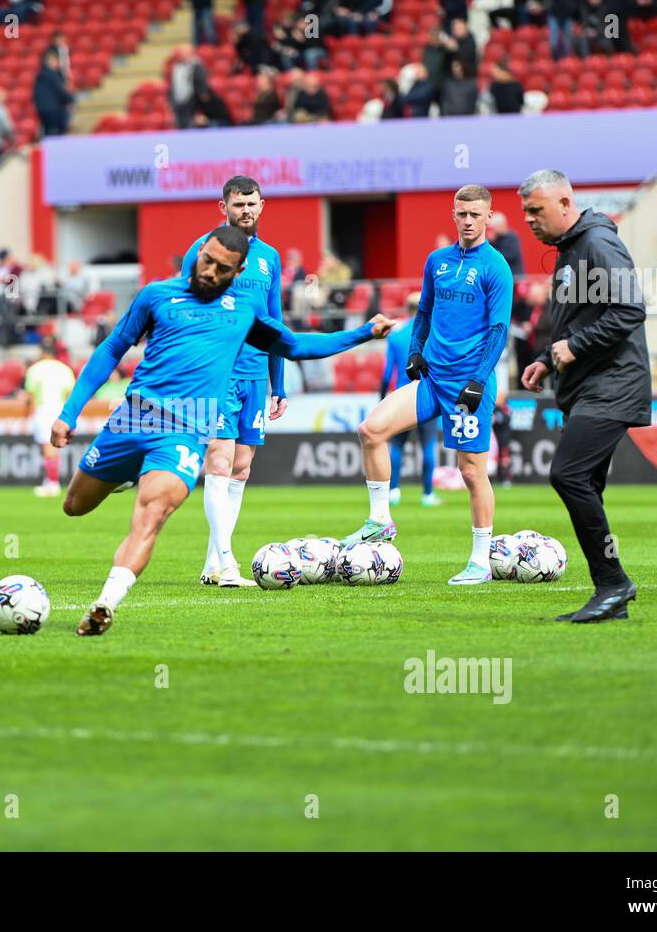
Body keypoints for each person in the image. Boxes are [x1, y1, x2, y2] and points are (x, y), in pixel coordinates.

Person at [51, 225, 395, 636]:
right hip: (133, 417)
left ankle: (106, 603)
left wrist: (363, 333)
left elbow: (296, 346)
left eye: (221, 267)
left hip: (184, 430)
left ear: (239, 270)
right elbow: (112, 348)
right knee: (75, 506)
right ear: (198, 253)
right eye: (206, 260)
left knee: (152, 514)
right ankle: (127, 472)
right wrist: (70, 412)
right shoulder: (157, 296)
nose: (210, 271)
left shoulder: (244, 309)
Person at [342, 185, 512, 586]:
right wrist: (416, 350)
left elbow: (500, 329)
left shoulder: (496, 267)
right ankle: (380, 521)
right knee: (371, 430)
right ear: (453, 215)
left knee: (471, 473)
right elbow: (423, 312)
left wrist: (479, 378)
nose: (468, 221)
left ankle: (480, 560)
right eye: (461, 214)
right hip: (433, 379)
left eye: (475, 215)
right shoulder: (437, 261)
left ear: (489, 217)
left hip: (468, 386)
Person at [518, 169, 650, 623]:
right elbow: (576, 319)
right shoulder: (571, 250)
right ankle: (611, 593)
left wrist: (575, 347)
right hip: (590, 383)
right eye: (526, 213)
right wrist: (545, 356)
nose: (530, 220)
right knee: (585, 483)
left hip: (613, 384)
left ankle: (614, 583)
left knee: (569, 475)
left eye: (537, 210)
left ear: (565, 204)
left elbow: (631, 308)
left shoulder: (596, 243)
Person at [179, 177, 286, 587]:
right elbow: (182, 308)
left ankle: (212, 563)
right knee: (218, 462)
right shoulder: (203, 249)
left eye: (252, 204)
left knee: (240, 469)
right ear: (222, 207)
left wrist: (280, 384)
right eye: (238, 204)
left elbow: (274, 323)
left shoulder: (269, 259)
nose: (246, 210)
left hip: (256, 374)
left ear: (262, 206)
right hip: (216, 373)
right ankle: (228, 564)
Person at [383, 294, 442, 507]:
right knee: (428, 445)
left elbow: (387, 372)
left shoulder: (396, 335)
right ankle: (427, 494)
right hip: (426, 394)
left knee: (397, 445)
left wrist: (382, 399)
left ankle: (393, 491)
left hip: (401, 395)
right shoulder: (434, 334)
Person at [24, 339, 76, 497]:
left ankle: (53, 483)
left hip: (44, 408)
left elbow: (30, 395)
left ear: (43, 352)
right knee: (55, 446)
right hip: (60, 408)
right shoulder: (65, 369)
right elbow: (70, 394)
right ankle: (50, 480)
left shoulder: (35, 369)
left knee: (47, 447)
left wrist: (29, 415)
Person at [33, 50, 74, 137]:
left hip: (42, 109)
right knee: (55, 133)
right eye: (56, 61)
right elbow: (60, 90)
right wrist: (70, 99)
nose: (57, 63)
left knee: (48, 132)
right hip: (54, 110)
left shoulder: (39, 76)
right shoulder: (53, 75)